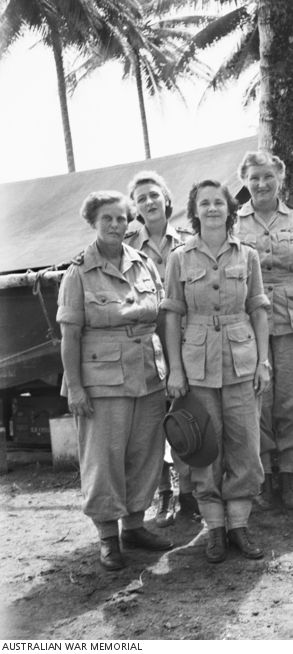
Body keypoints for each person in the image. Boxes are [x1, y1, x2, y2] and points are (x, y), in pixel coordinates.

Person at [57, 191, 173, 571]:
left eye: (121, 219)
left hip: (147, 374)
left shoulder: (144, 265)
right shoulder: (78, 272)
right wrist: (74, 387)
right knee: (104, 460)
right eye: (107, 218)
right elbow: (69, 335)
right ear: (93, 221)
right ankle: (108, 536)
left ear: (130, 222)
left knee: (144, 453)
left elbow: (159, 319)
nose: (115, 225)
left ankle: (134, 526)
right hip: (102, 380)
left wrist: (171, 373)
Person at [162, 179, 270, 563]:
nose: (211, 209)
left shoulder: (248, 255)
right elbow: (173, 316)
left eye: (218, 203)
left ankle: (239, 525)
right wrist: (176, 369)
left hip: (241, 360)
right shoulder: (179, 257)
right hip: (197, 364)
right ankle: (215, 530)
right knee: (205, 447)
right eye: (204, 203)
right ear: (195, 212)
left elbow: (258, 309)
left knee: (245, 445)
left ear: (230, 210)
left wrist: (263, 361)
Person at [236, 151, 293, 510]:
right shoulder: (233, 222)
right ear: (244, 180)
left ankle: (288, 475)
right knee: (259, 398)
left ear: (280, 179)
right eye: (254, 177)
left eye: (268, 176)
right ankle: (264, 475)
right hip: (248, 318)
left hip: (292, 316)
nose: (261, 183)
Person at [126, 170, 199, 527]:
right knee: (153, 423)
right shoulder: (125, 244)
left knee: (185, 415)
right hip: (144, 345)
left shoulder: (188, 238)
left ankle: (189, 492)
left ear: (166, 199)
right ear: (135, 208)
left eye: (154, 195)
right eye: (141, 199)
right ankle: (163, 494)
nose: (149, 202)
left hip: (185, 339)